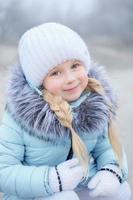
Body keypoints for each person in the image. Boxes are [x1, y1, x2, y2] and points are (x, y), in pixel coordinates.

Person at [0, 22, 132, 200]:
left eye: (75, 65)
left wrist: (112, 171)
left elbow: (108, 148)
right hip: (31, 193)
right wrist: (52, 180)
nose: (70, 79)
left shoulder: (94, 100)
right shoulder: (18, 116)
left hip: (79, 184)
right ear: (38, 81)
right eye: (55, 73)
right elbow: (4, 170)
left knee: (119, 190)